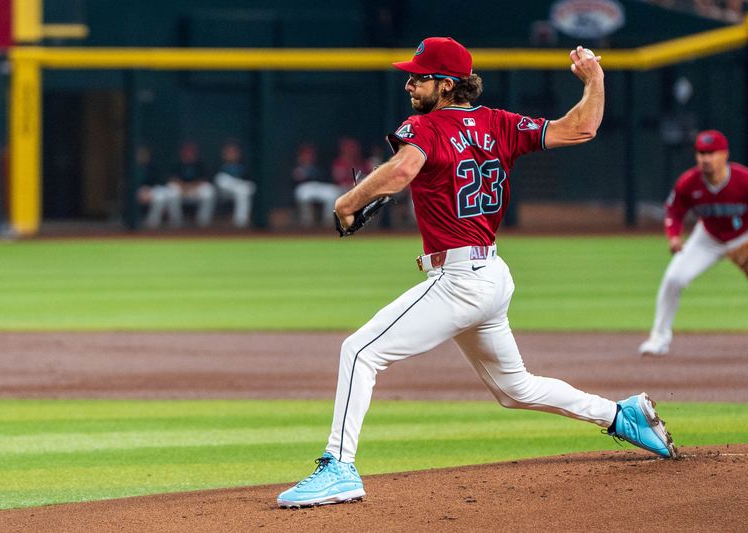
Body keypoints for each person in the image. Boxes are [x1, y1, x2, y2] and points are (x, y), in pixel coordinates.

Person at [277, 37, 678, 509]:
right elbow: (581, 128)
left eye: (419, 77)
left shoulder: (423, 126)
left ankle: (338, 467)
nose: (409, 83)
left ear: (447, 85)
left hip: (460, 280)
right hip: (490, 274)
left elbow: (404, 168)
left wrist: (347, 203)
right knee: (516, 388)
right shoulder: (500, 123)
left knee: (359, 351)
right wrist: (596, 81)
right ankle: (621, 415)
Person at [639, 129, 748, 356]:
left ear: (725, 154)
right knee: (674, 278)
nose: (706, 158)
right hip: (707, 238)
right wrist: (674, 235)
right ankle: (659, 339)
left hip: (742, 236)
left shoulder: (742, 179)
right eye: (701, 153)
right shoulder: (689, 182)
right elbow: (674, 210)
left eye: (711, 153)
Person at [168, 141, 216, 227]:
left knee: (209, 191)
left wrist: (192, 187)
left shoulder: (200, 164)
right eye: (186, 152)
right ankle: (176, 222)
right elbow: (173, 180)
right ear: (182, 153)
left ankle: (203, 222)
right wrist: (184, 187)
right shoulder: (177, 164)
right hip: (181, 189)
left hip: (196, 190)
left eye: (191, 152)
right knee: (171, 191)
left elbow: (204, 179)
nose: (189, 154)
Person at [135, 146, 182, 229]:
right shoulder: (132, 168)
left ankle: (175, 223)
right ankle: (151, 225)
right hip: (138, 190)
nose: (143, 156)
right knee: (159, 198)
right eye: (141, 154)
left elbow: (159, 182)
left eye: (145, 154)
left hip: (152, 190)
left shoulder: (152, 167)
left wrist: (149, 190)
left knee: (168, 195)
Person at [213, 139, 256, 228]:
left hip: (241, 191)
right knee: (221, 178)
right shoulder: (219, 165)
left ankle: (240, 223)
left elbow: (250, 183)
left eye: (234, 152)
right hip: (223, 193)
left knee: (243, 191)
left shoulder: (244, 166)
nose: (231, 155)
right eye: (229, 152)